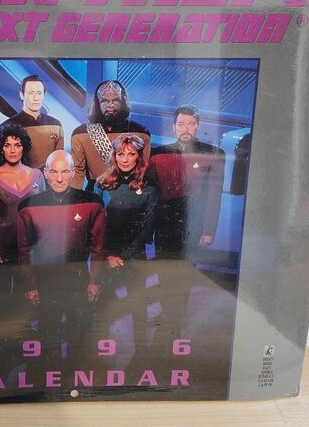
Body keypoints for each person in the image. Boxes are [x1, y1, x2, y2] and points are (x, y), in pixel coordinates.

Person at [17, 150, 104, 369]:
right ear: (45, 173)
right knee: (48, 327)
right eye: (54, 172)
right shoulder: (28, 206)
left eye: (65, 172)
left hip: (78, 277)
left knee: (78, 327)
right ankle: (50, 369)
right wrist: (30, 285)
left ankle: (73, 369)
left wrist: (94, 281)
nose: (59, 178)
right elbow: (24, 250)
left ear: (73, 173)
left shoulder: (93, 202)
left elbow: (97, 247)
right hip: (45, 279)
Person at [96, 133, 158, 365]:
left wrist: (123, 256)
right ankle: (99, 354)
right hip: (106, 255)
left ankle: (141, 356)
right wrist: (108, 255)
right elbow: (96, 224)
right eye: (120, 154)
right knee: (102, 306)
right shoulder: (102, 184)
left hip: (134, 256)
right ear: (114, 156)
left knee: (138, 306)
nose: (125, 159)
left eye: (131, 154)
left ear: (138, 157)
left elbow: (148, 227)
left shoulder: (150, 187)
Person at [0, 123, 46, 315]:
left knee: (27, 291)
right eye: (7, 145)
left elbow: (43, 212)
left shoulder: (37, 175)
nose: (12, 150)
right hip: (3, 242)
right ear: (1, 148)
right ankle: (4, 329)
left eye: (17, 145)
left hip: (30, 243)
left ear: (24, 147)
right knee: (3, 296)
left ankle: (24, 328)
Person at [149, 105, 226, 259]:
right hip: (164, 225)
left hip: (194, 224)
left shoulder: (212, 154)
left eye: (191, 124)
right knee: (162, 268)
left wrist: (208, 231)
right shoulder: (158, 154)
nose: (185, 129)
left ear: (198, 126)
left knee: (187, 269)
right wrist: (148, 230)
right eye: (181, 124)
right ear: (174, 127)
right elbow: (152, 194)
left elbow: (214, 197)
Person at [71, 80, 150, 190]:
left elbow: (143, 170)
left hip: (131, 190)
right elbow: (77, 172)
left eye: (116, 100)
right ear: (97, 103)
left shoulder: (141, 133)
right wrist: (75, 197)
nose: (111, 105)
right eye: (105, 101)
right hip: (95, 192)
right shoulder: (80, 134)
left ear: (123, 102)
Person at [0, 75, 64, 169]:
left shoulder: (56, 125)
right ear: (22, 95)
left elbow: (59, 160)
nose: (36, 98)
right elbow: (3, 164)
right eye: (31, 93)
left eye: (39, 93)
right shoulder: (7, 126)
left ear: (43, 95)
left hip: (49, 177)